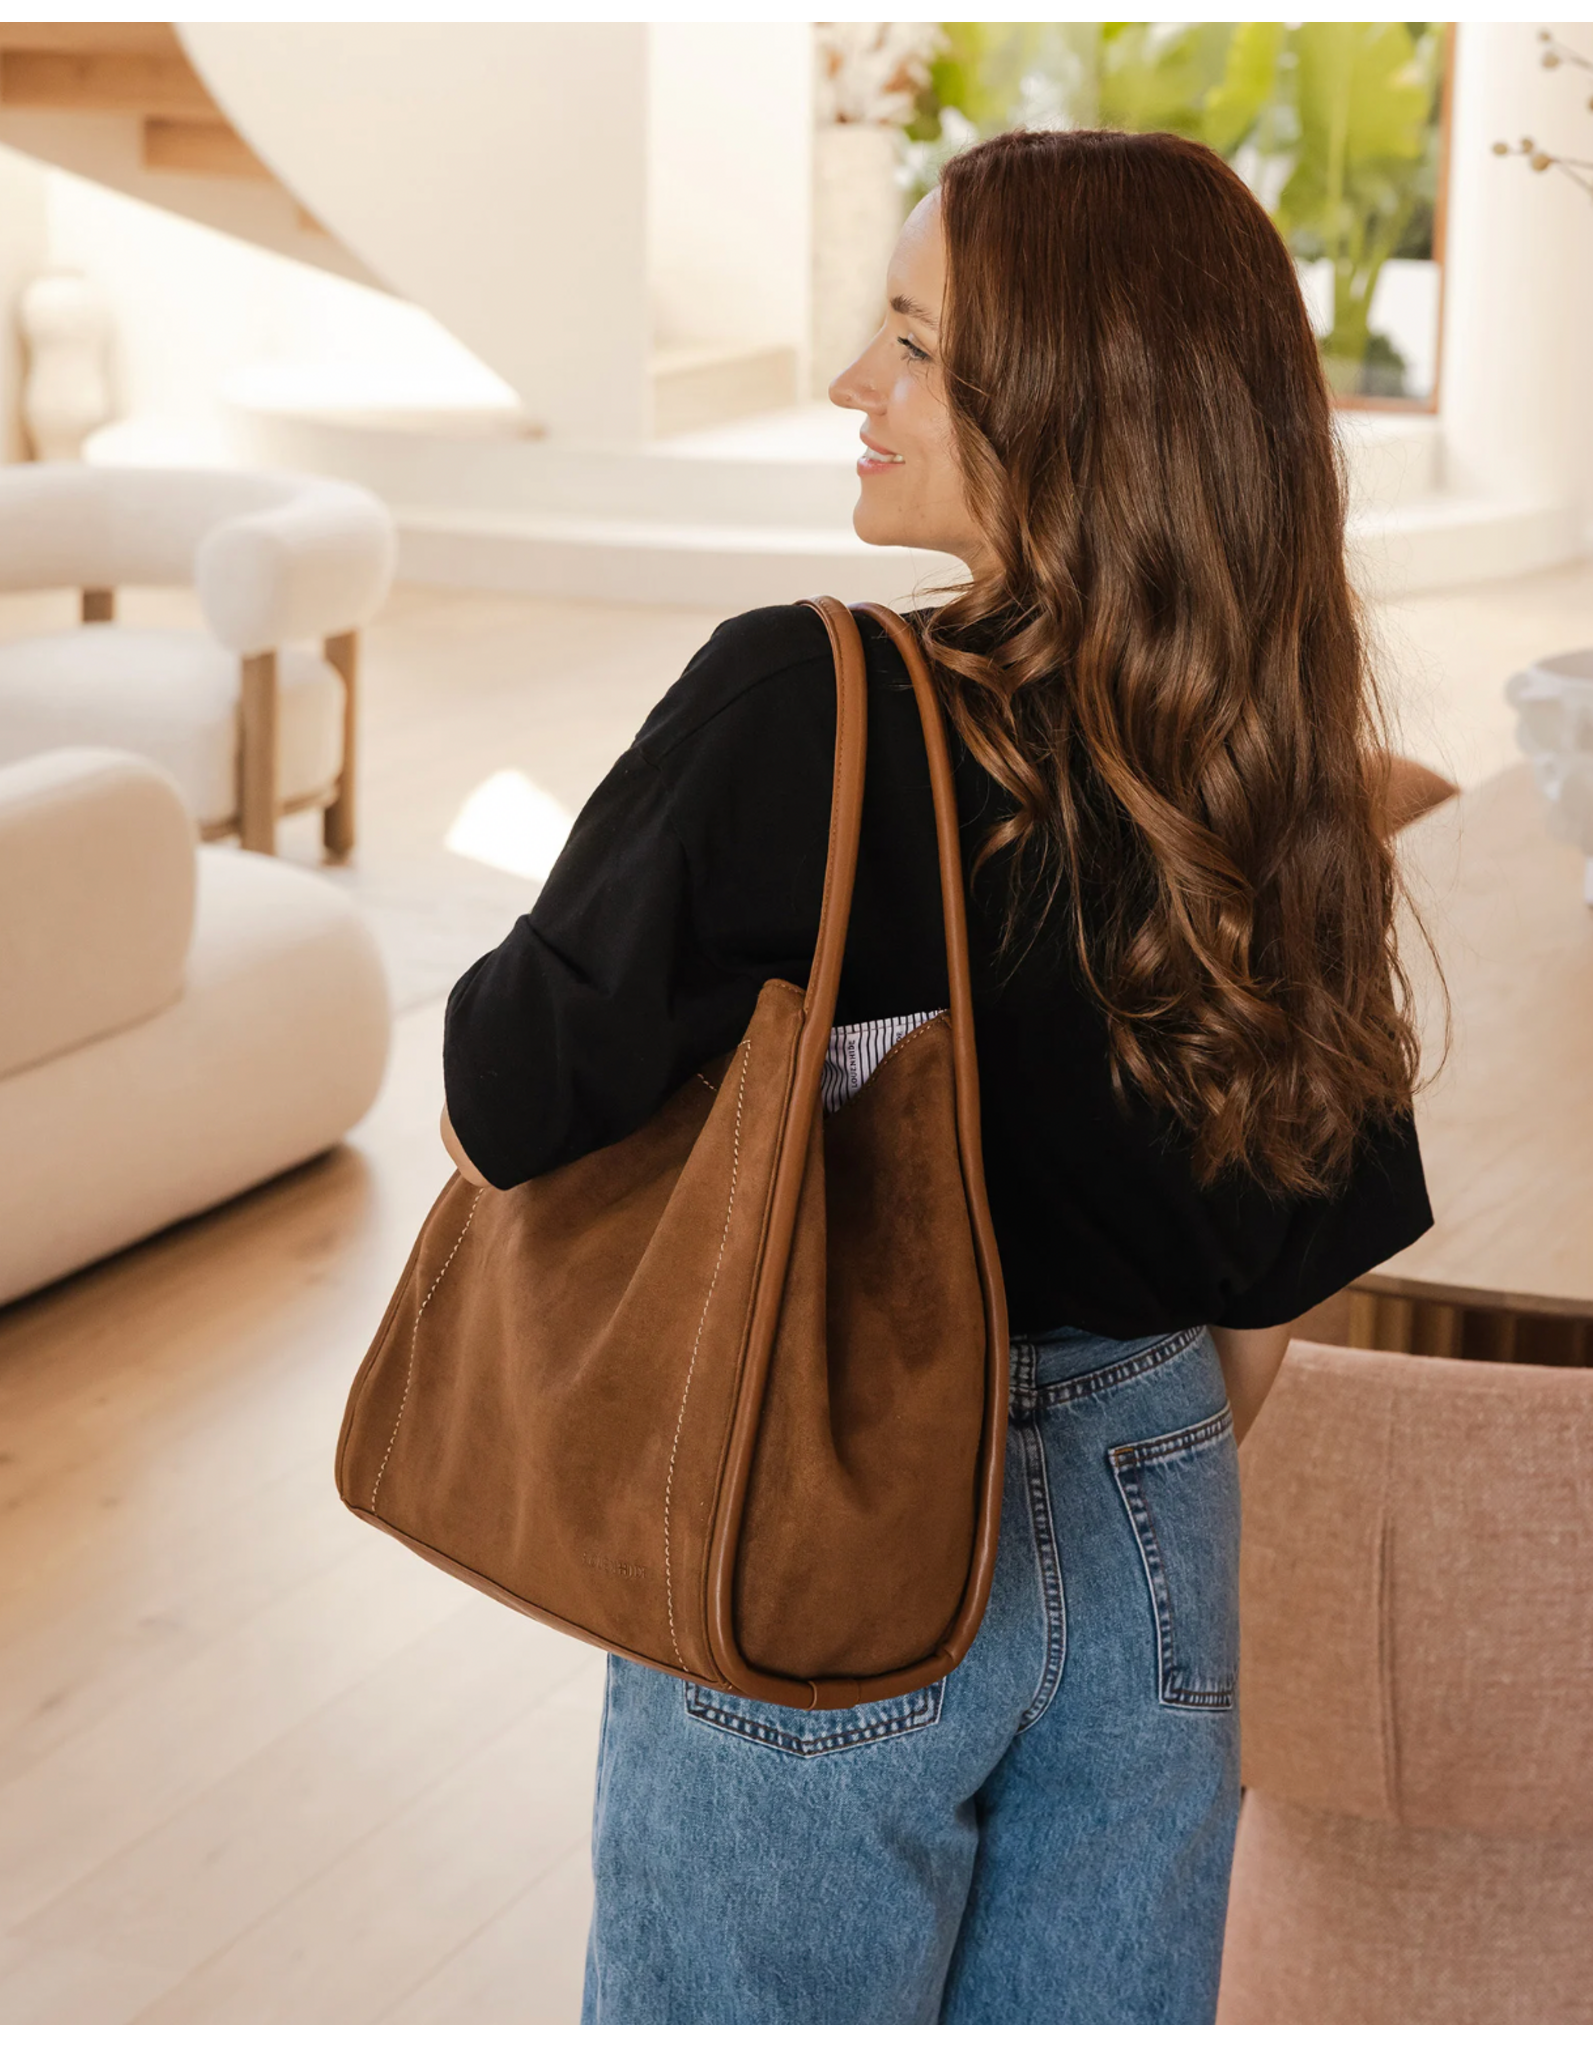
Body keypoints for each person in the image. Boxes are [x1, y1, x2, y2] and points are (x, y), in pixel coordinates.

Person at [440, 128, 1432, 2027]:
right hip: (1161, 1513)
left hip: (815, 1496)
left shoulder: (793, 704)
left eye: (912, 343)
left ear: (1071, 406)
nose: (849, 385)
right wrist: (1095, 1454)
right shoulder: (1279, 772)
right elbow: (1288, 1275)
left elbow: (509, 1099)